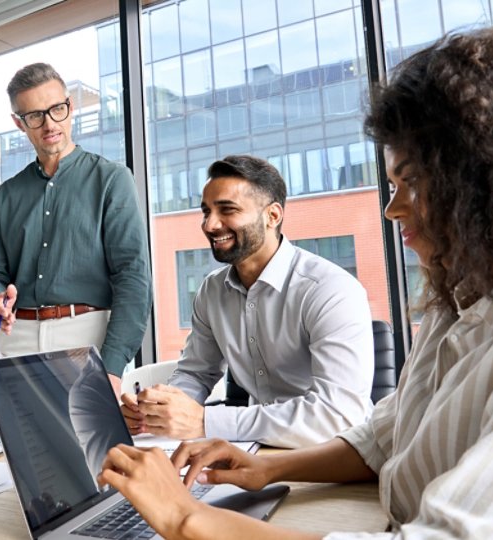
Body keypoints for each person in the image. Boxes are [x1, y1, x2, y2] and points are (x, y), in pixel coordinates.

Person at [98, 24, 493, 539]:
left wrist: (185, 515)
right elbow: (384, 437)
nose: (391, 208)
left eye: (410, 181)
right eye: (392, 185)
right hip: (329, 484)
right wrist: (264, 466)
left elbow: (342, 420)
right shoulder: (454, 302)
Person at [121, 155, 374, 447]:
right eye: (206, 212)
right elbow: (195, 374)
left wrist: (204, 421)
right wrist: (160, 411)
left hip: (333, 453)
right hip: (257, 447)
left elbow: (337, 415)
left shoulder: (330, 289)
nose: (210, 225)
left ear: (272, 216)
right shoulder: (212, 291)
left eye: (227, 210)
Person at [0, 62, 152, 396]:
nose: (49, 124)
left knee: (86, 432)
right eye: (34, 116)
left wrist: (112, 367)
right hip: (18, 339)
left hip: (86, 338)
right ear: (19, 123)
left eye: (57, 109)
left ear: (70, 107)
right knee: (9, 431)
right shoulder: (5, 195)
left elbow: (133, 279)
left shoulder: (112, 180)